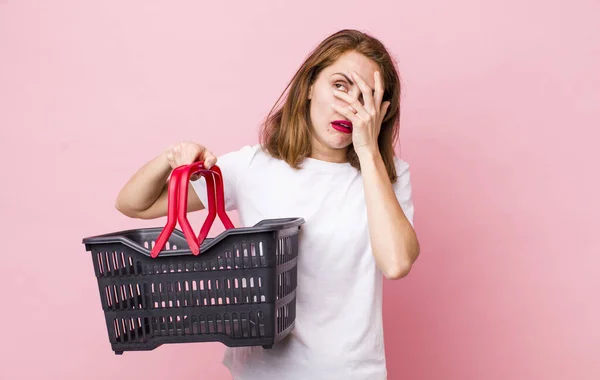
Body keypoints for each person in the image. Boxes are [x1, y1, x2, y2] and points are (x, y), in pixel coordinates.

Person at [115, 29, 420, 380]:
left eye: (366, 97)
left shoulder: (388, 177)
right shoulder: (253, 167)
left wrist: (368, 153)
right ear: (308, 87)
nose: (351, 105)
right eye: (340, 85)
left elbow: (396, 263)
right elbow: (135, 204)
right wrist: (171, 157)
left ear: (381, 112)